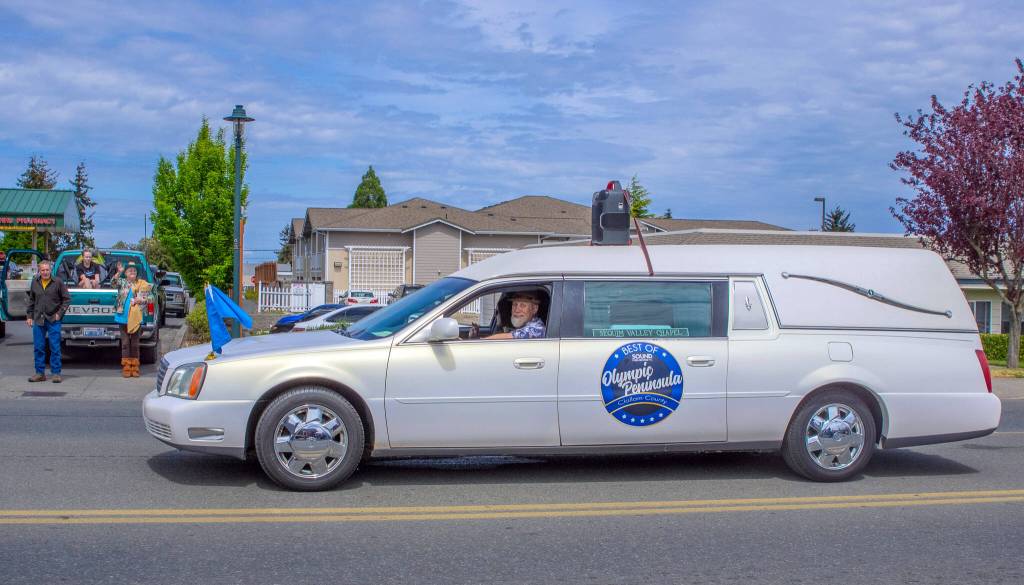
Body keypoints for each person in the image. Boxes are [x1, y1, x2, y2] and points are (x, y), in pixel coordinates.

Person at [25, 259, 71, 383]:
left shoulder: (58, 282)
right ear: (39, 271)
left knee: (54, 347)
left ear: (51, 270)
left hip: (53, 319)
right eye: (43, 270)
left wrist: (59, 314)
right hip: (38, 319)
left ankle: (56, 373)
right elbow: (31, 301)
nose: (45, 272)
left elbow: (66, 299)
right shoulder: (35, 282)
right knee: (39, 347)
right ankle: (39, 373)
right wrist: (29, 316)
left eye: (47, 270)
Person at [111, 260, 151, 377]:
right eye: (130, 270)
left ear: (136, 273)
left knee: (134, 343)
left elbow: (149, 297)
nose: (132, 272)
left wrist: (141, 300)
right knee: (125, 343)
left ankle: (135, 367)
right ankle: (127, 367)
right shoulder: (122, 282)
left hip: (136, 317)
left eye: (134, 270)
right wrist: (119, 272)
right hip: (122, 317)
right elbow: (113, 283)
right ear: (126, 273)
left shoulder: (142, 284)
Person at [478, 291, 546, 340]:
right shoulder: (524, 325)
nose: (516, 310)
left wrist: (480, 342)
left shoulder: (537, 328)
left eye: (522, 305)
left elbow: (509, 337)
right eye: (515, 304)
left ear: (534, 309)